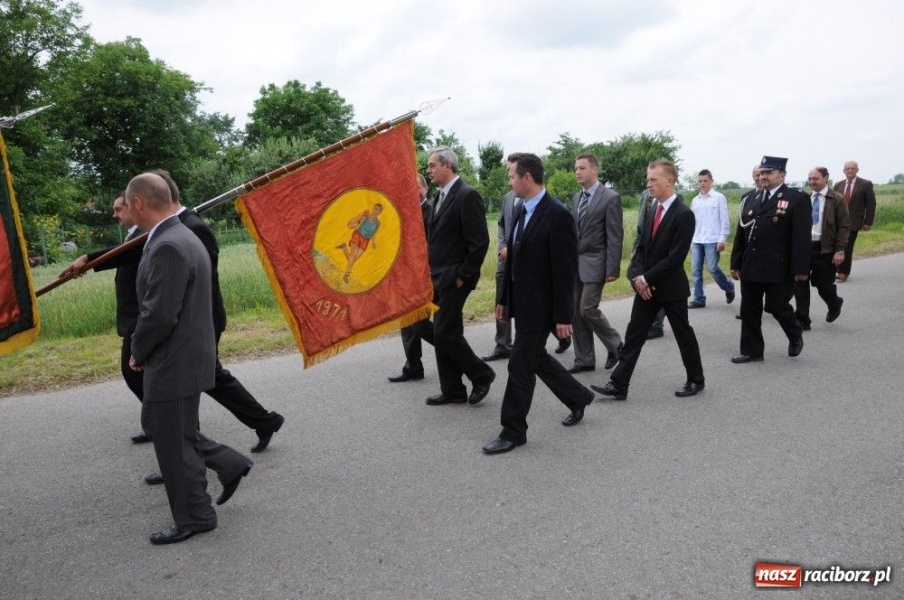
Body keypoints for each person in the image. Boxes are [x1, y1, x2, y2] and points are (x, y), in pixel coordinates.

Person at [125, 172, 251, 545]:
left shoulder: (167, 243)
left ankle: (196, 516)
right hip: (186, 354)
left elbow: (159, 314)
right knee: (174, 430)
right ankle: (230, 464)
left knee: (172, 442)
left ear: (139, 203)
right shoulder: (180, 234)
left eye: (127, 204)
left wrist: (138, 350)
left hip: (174, 358)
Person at [157, 170, 284, 455]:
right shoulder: (175, 225)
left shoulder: (192, 226)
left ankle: (188, 450)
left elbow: (202, 277)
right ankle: (263, 421)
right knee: (209, 378)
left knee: (196, 380)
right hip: (193, 320)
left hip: (202, 318)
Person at [483, 153, 595, 455]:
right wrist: (504, 300)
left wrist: (562, 315)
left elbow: (564, 270)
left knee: (520, 364)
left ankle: (513, 430)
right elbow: (515, 259)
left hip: (543, 307)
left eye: (511, 176)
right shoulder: (520, 210)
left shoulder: (556, 215)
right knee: (535, 359)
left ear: (527, 178)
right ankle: (578, 396)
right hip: (522, 303)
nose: (509, 182)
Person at [592, 159, 704, 401]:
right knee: (634, 335)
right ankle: (619, 384)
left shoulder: (684, 215)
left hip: (670, 288)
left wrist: (647, 277)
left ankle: (696, 379)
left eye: (653, 180)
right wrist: (638, 278)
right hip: (647, 289)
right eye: (648, 179)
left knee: (683, 333)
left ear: (670, 180)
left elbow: (675, 257)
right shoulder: (653, 208)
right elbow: (642, 247)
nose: (648, 184)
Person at [61, 195, 148, 443]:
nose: (114, 215)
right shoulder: (135, 233)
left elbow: (124, 253)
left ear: (134, 206)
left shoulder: (145, 234)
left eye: (118, 209)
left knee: (137, 375)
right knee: (141, 377)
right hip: (133, 317)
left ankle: (177, 429)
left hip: (140, 317)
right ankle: (161, 423)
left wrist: (88, 258)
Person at [424, 147, 495, 406]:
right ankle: (453, 389)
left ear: (448, 166)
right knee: (448, 331)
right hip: (438, 277)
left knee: (442, 333)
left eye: (432, 165)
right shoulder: (438, 198)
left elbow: (479, 242)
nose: (428, 170)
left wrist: (464, 275)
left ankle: (481, 374)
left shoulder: (467, 195)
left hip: (455, 277)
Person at [729, 156, 810, 363]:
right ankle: (752, 351)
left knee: (777, 307)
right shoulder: (750, 199)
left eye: (768, 172)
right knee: (749, 310)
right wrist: (736, 262)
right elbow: (742, 234)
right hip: (751, 265)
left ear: (781, 175)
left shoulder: (796, 199)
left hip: (778, 266)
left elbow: (801, 237)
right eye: (762, 173)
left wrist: (800, 268)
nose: (763, 176)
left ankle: (795, 334)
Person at [567, 153, 624, 374]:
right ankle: (584, 359)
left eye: (582, 168)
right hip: (576, 265)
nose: (577, 172)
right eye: (575, 168)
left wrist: (612, 268)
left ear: (594, 169)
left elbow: (615, 236)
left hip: (597, 262)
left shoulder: (610, 197)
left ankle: (616, 344)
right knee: (576, 313)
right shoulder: (576, 198)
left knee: (587, 308)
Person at [388, 173, 436, 382]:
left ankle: (454, 350)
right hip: (407, 278)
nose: (413, 192)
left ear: (425, 189)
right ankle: (413, 366)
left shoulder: (431, 212)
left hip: (426, 278)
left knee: (420, 324)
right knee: (406, 324)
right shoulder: (404, 214)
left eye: (417, 187)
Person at [793, 167, 850, 329]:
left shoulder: (837, 199)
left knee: (822, 285)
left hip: (825, 249)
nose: (811, 182)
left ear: (826, 178)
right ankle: (803, 320)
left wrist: (840, 250)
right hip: (805, 248)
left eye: (815, 178)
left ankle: (834, 302)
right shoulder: (803, 199)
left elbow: (844, 226)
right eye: (809, 179)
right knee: (800, 283)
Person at [688, 170, 735, 309]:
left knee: (712, 268)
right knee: (696, 270)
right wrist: (690, 242)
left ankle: (729, 286)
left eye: (705, 181)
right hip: (697, 239)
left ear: (711, 181)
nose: (702, 184)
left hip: (712, 239)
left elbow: (724, 220)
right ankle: (699, 298)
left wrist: (722, 239)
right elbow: (692, 222)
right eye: (700, 181)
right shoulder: (695, 200)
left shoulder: (719, 198)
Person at [482, 190, 518, 362]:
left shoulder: (534, 198)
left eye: (512, 174)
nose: (510, 179)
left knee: (524, 304)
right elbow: (501, 224)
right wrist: (503, 246)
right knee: (501, 302)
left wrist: (512, 249)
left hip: (523, 262)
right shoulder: (508, 197)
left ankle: (560, 334)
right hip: (504, 261)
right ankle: (502, 345)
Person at [631, 190, 667, 338]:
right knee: (635, 278)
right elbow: (641, 226)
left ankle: (657, 325)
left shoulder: (673, 198)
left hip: (660, 250)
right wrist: (634, 249)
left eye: (653, 179)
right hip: (643, 247)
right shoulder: (645, 195)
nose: (649, 183)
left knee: (656, 285)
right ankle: (650, 318)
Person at [832, 160, 876, 282]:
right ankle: (835, 270)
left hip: (854, 221)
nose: (850, 171)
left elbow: (871, 204)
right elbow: (833, 204)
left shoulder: (866, 184)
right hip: (838, 222)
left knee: (847, 245)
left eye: (853, 168)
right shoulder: (838, 185)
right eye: (847, 169)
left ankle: (843, 272)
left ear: (857, 170)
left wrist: (868, 222)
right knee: (837, 245)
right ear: (844, 171)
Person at [735, 166, 763, 320]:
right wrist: (735, 261)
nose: (759, 178)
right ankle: (745, 309)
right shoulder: (747, 198)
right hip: (748, 249)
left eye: (761, 174)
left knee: (776, 303)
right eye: (756, 175)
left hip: (767, 251)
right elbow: (741, 229)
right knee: (747, 285)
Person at [337, 203, 382, 283]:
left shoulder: (378, 223)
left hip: (366, 241)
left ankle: (344, 247)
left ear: (380, 212)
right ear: (373, 208)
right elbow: (359, 224)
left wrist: (373, 242)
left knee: (353, 259)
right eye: (376, 208)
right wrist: (357, 226)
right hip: (358, 235)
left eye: (379, 210)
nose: (376, 211)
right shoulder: (367, 216)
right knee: (353, 257)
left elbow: (374, 233)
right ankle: (346, 276)